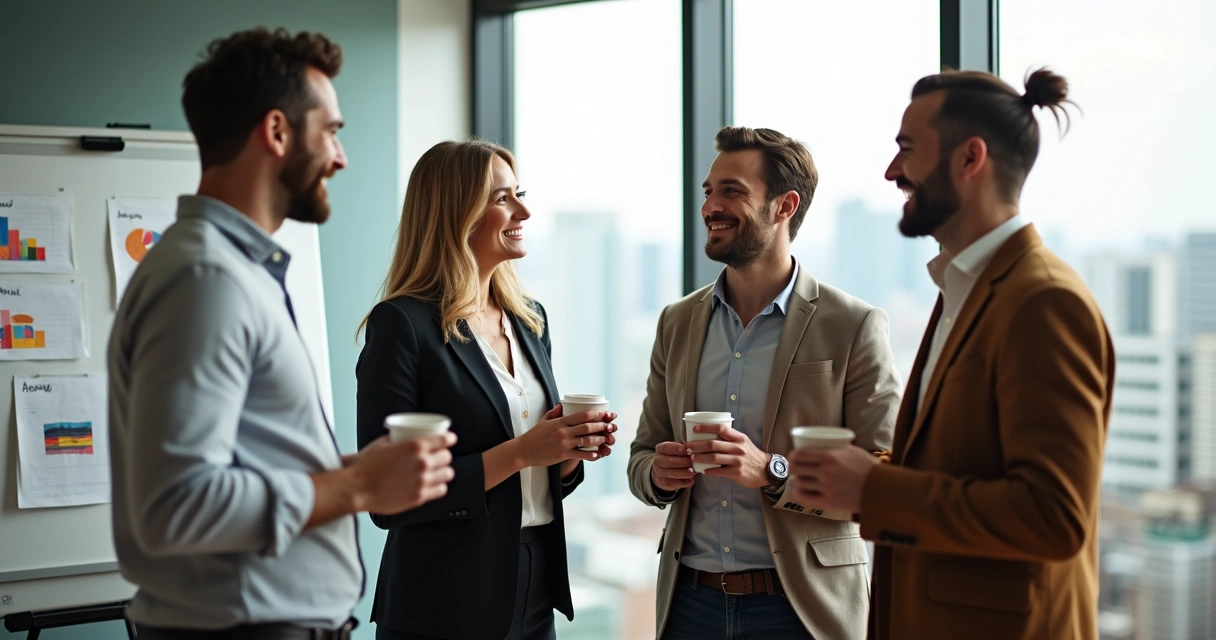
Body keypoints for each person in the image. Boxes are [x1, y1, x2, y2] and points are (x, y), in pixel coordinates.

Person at [107, 28, 456, 640]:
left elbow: (244, 463)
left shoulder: (233, 272)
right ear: (276, 132)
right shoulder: (206, 279)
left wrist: (356, 473)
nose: (341, 157)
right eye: (332, 132)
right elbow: (174, 507)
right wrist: (356, 484)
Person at [788, 69, 1114, 640]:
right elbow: (961, 468)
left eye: (906, 151)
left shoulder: (1044, 302)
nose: (892, 172)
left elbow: (1055, 516)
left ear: (970, 159)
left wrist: (874, 489)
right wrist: (859, 476)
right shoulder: (961, 292)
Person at [627, 126, 902, 639]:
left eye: (732, 190)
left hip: (801, 610)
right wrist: (656, 475)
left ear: (784, 206)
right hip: (690, 606)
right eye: (709, 191)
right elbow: (641, 456)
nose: (711, 205)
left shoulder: (854, 325)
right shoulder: (677, 321)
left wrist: (772, 471)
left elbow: (883, 484)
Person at [356, 140, 617, 640]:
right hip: (441, 602)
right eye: (503, 198)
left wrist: (566, 452)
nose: (523, 210)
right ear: (458, 212)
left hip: (535, 589)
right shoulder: (402, 325)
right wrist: (522, 451)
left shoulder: (530, 319)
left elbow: (540, 478)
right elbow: (385, 497)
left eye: (518, 193)